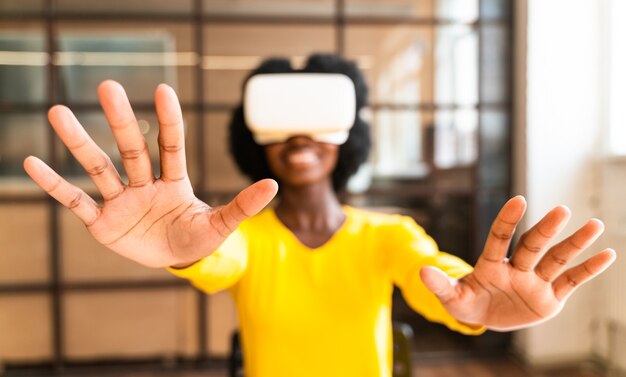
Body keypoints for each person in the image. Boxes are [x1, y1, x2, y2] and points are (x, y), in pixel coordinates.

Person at [23, 54, 616, 377]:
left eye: (318, 118)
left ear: (349, 134)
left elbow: (432, 275)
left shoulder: (388, 233)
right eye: (284, 120)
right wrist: (188, 247)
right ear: (258, 138)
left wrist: (474, 305)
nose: (301, 135)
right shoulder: (246, 236)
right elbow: (219, 257)